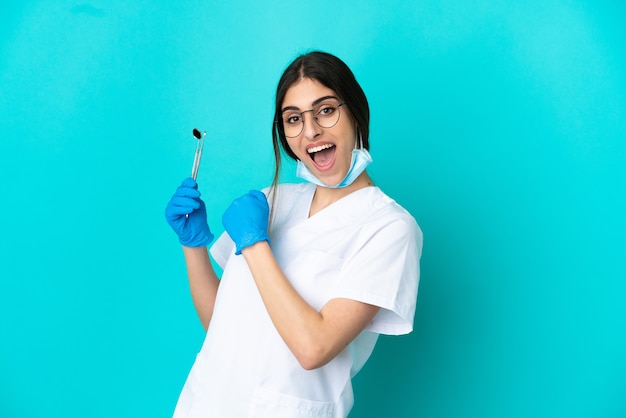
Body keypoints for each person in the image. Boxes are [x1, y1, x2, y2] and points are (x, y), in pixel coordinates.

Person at [165, 51, 423, 418]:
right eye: (293, 119)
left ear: (356, 113)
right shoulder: (273, 201)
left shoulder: (389, 228)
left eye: (326, 110)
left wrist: (255, 246)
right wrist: (193, 245)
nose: (311, 131)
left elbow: (312, 347)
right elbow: (221, 323)